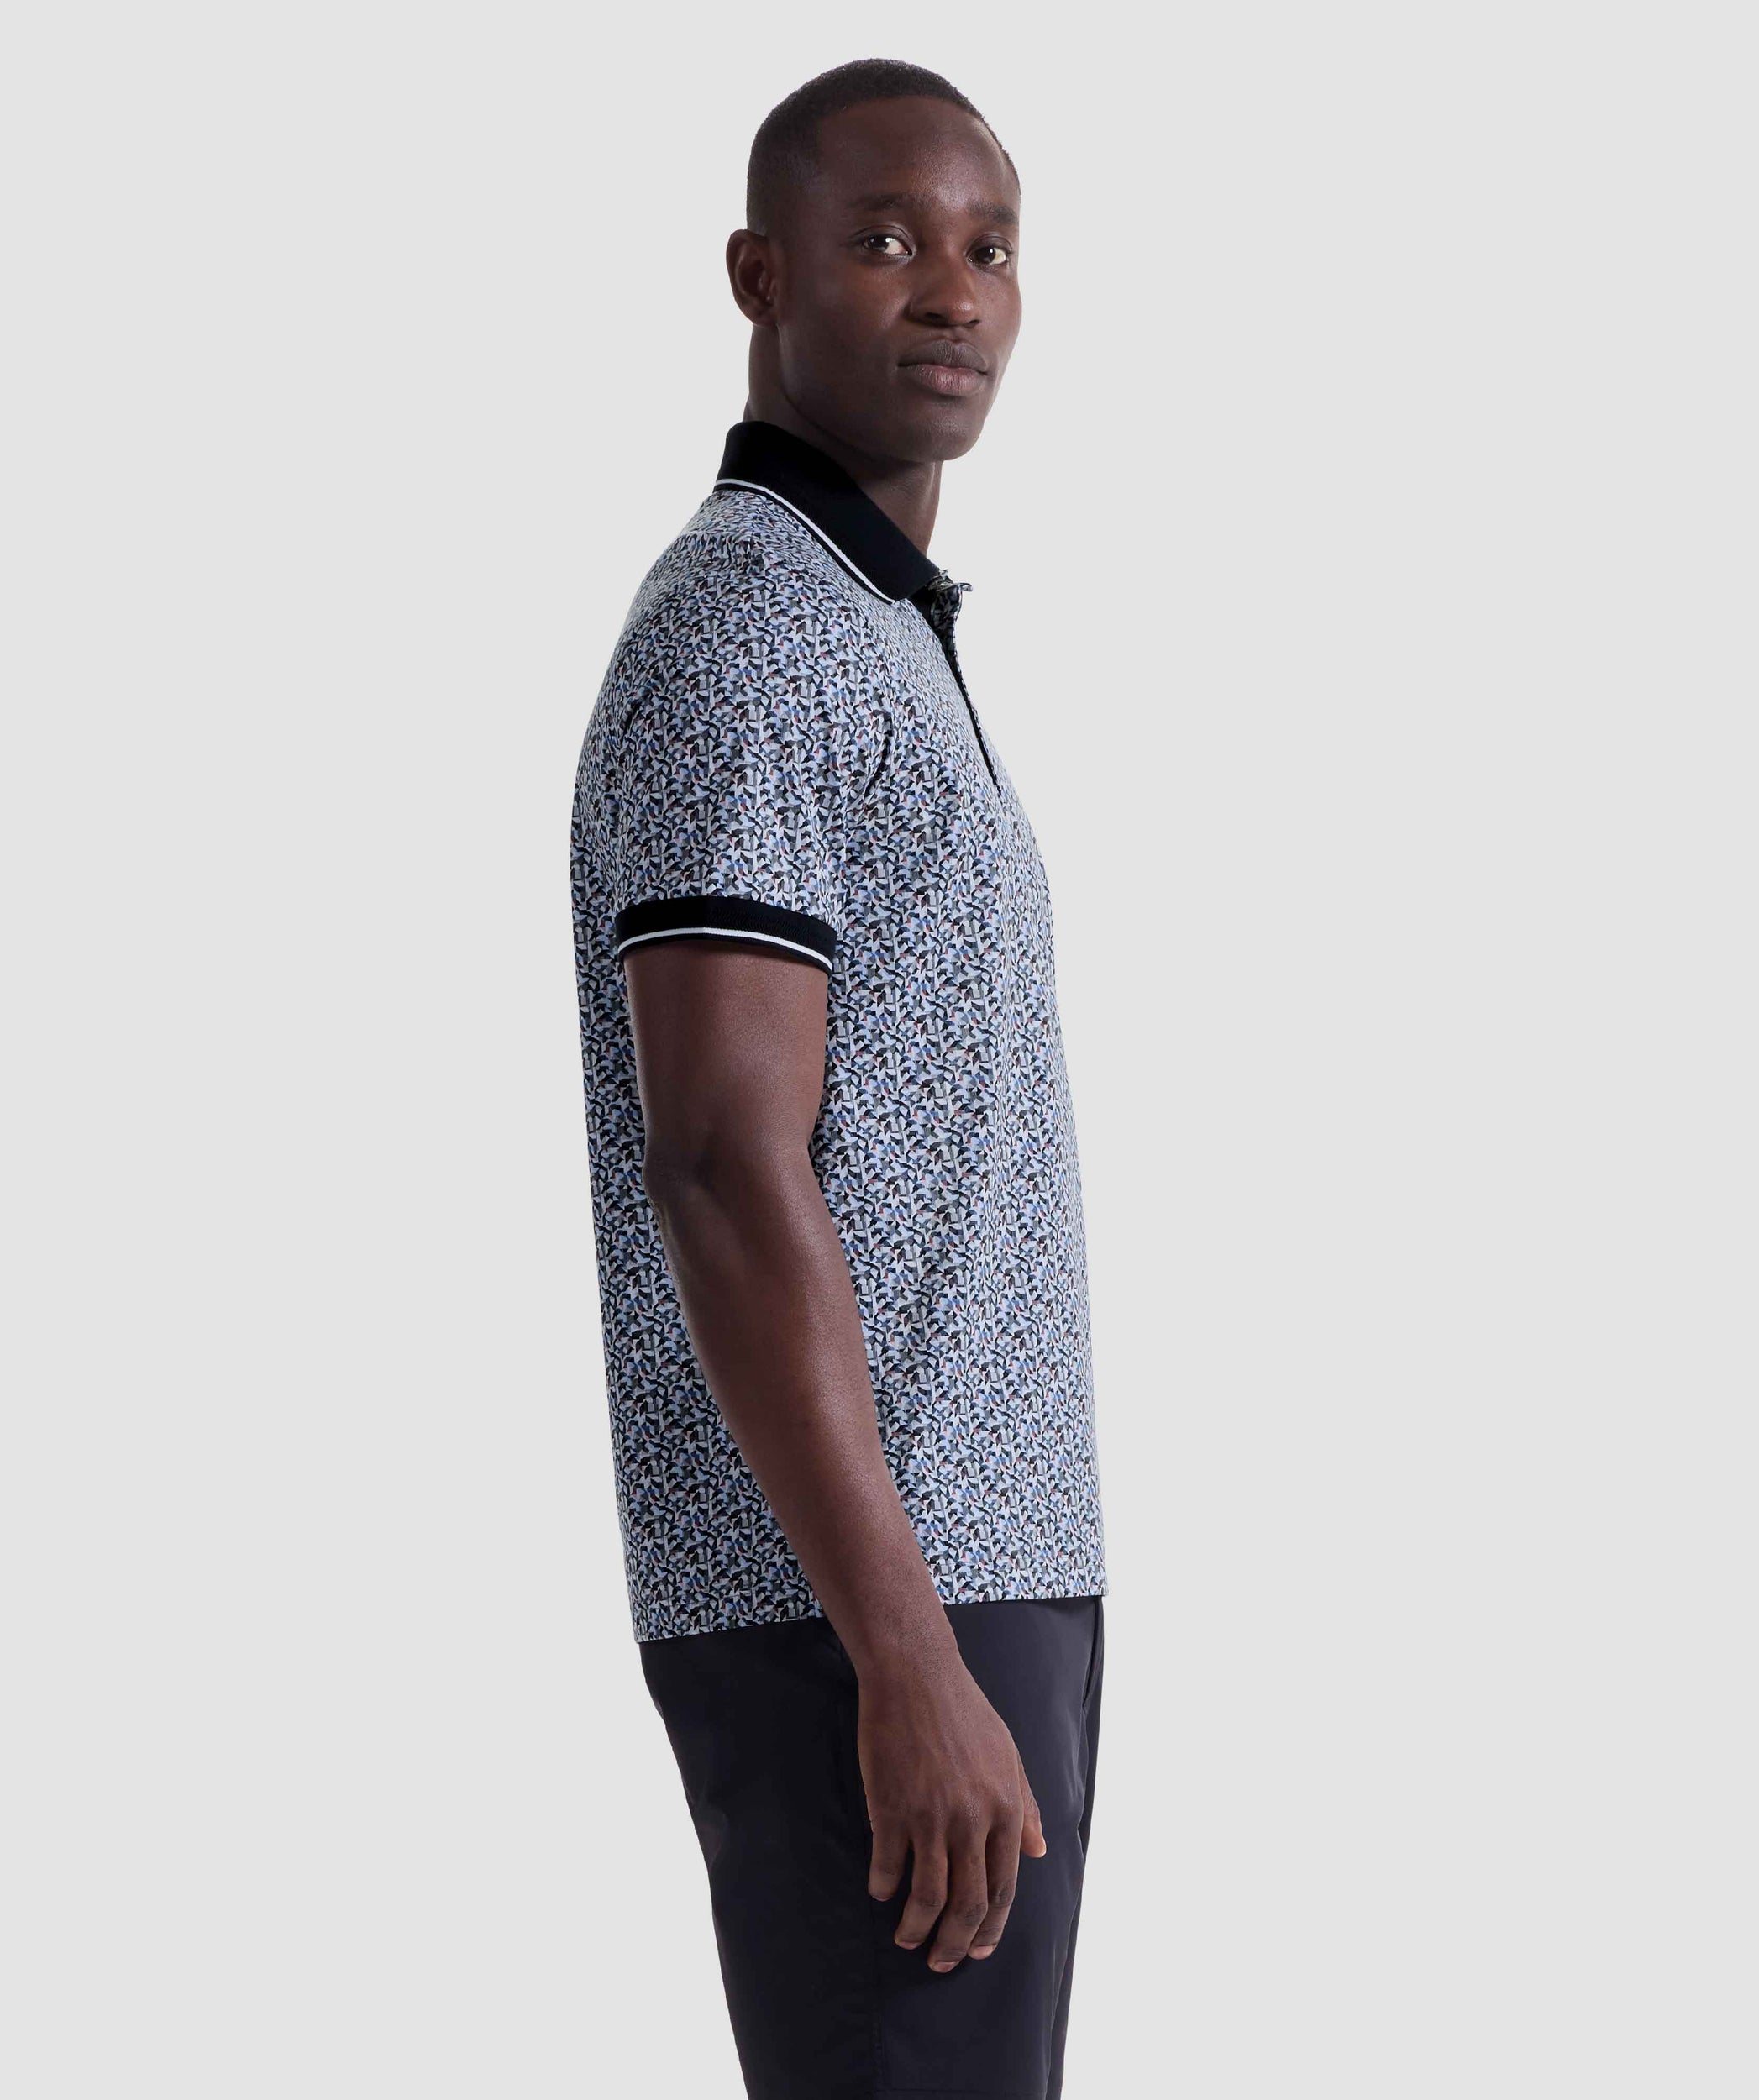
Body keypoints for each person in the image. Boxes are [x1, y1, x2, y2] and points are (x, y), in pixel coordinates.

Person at [569, 59, 1107, 2100]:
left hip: (970, 1574)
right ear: (759, 274)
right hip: (864, 1601)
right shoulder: (745, 634)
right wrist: (901, 1649)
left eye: (988, 246)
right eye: (883, 240)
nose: (951, 290)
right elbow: (718, 1160)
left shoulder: (861, 624)